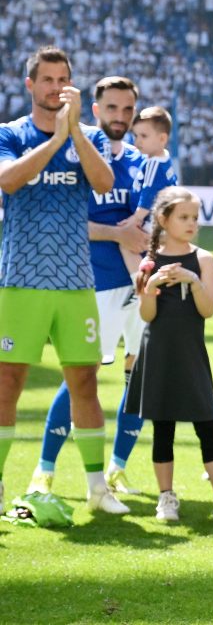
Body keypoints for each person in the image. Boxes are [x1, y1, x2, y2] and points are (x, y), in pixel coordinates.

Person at [0, 46, 127, 515]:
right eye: (47, 79)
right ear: (30, 85)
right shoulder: (9, 133)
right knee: (7, 381)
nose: (56, 87)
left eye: (63, 79)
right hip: (21, 280)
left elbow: (103, 181)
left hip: (75, 281)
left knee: (85, 383)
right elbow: (9, 180)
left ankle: (97, 488)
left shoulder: (86, 134)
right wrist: (56, 141)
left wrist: (74, 131)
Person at [28, 77, 150, 497]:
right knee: (81, 378)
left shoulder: (141, 162)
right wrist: (117, 235)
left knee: (142, 376)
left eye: (127, 110)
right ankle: (44, 470)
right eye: (112, 109)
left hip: (141, 287)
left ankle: (116, 468)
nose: (120, 117)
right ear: (95, 111)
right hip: (93, 285)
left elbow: (155, 219)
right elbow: (67, 222)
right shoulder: (75, 154)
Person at [126, 187, 213, 522]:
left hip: (191, 353)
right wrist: (152, 283)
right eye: (183, 217)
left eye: (195, 218)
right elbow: (147, 316)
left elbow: (208, 309)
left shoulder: (203, 259)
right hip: (157, 352)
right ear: (163, 219)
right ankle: (166, 499)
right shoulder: (149, 259)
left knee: (206, 426)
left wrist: (193, 281)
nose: (191, 224)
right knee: (163, 427)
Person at [119, 106, 178, 279]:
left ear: (162, 138)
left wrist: (135, 219)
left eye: (143, 136)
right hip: (162, 223)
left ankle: (139, 286)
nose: (137, 141)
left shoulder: (153, 163)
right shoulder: (164, 159)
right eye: (135, 135)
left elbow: (149, 193)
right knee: (155, 260)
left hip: (152, 223)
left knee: (126, 244)